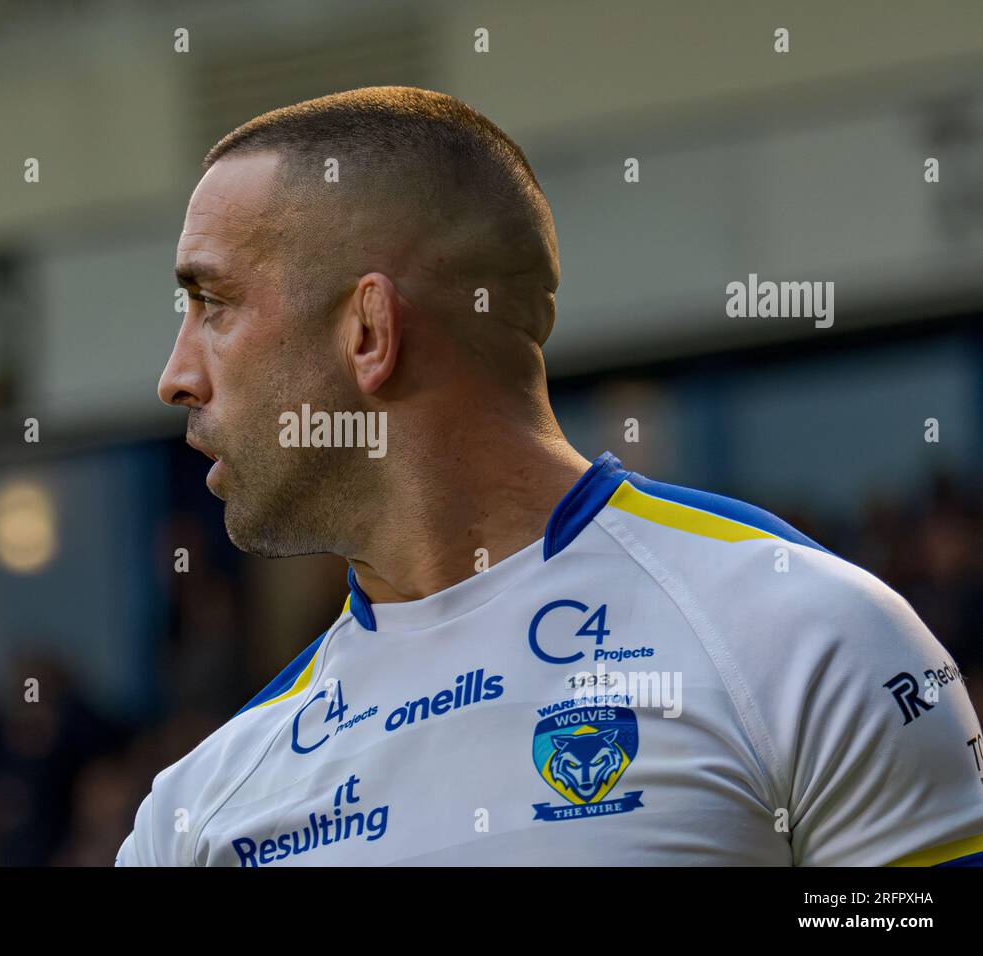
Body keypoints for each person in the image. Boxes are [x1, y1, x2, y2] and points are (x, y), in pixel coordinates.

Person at [117, 86, 983, 866]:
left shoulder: (807, 641)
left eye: (213, 304)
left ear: (369, 331)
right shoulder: (196, 810)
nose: (176, 375)